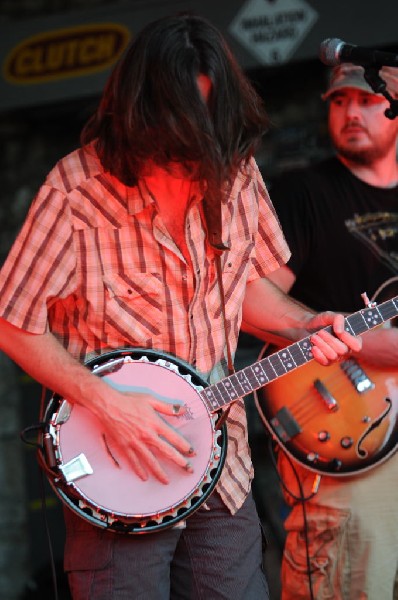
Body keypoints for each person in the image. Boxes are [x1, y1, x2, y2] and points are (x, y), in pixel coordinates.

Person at [0, 15, 360, 600]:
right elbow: (12, 323)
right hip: (117, 476)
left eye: (208, 129)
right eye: (179, 131)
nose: (197, 153)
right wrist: (108, 405)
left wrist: (302, 322)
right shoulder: (74, 192)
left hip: (222, 466)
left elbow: (242, 288)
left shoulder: (237, 175)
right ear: (138, 114)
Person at [263, 62, 398, 599]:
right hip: (349, 420)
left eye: (366, 100)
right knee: (354, 579)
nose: (351, 113)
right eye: (339, 101)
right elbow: (249, 303)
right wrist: (368, 345)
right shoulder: (304, 193)